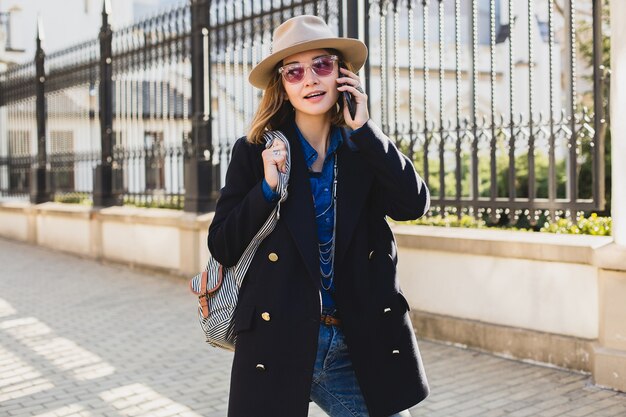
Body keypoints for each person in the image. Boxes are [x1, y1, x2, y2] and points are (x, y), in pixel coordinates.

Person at [208, 15, 430, 417]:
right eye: (294, 72)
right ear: (283, 86)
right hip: (278, 341)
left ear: (341, 75)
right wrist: (267, 189)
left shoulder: (363, 150)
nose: (309, 80)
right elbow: (222, 244)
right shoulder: (254, 151)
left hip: (356, 342)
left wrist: (367, 132)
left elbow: (412, 205)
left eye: (321, 66)